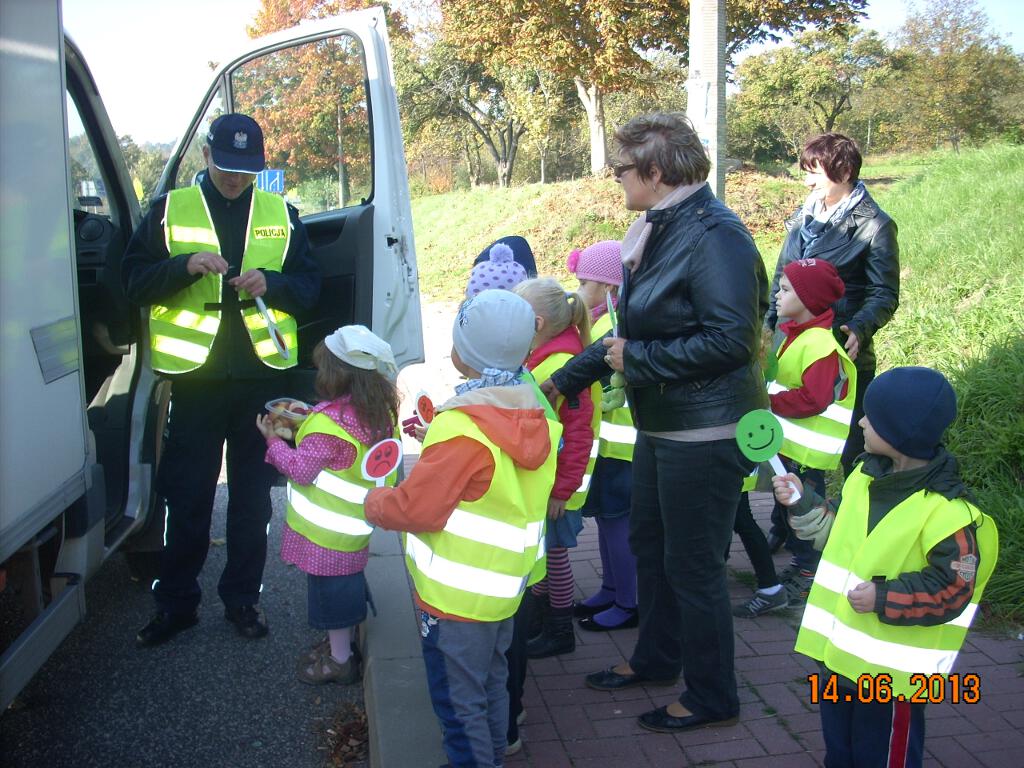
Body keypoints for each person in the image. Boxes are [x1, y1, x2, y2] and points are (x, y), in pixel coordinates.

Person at [541, 112, 767, 732]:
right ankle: (657, 659)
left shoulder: (716, 236)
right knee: (652, 547)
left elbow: (732, 341)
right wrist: (568, 377)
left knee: (693, 566)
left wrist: (637, 361)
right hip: (665, 426)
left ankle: (713, 696)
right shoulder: (660, 226)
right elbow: (631, 329)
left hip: (707, 432)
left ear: (657, 171)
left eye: (621, 168)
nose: (615, 176)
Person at [123, 113, 321, 647]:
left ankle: (242, 601)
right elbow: (132, 282)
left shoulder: (282, 214)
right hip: (197, 380)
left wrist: (272, 283)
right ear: (207, 156)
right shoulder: (168, 211)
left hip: (261, 380)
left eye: (246, 169)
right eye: (227, 166)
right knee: (186, 497)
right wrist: (182, 266)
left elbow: (310, 287)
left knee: (252, 500)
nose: (235, 178)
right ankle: (175, 603)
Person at [364, 290, 560, 768]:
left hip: (455, 601)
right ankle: (491, 756)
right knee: (491, 685)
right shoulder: (532, 411)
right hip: (502, 592)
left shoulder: (463, 429)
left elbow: (416, 509)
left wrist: (376, 502)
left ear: (464, 353)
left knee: (457, 703)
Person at [773, 366, 997, 768]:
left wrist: (884, 597)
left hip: (892, 680)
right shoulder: (864, 476)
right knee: (840, 752)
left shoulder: (950, 516)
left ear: (900, 433)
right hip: (837, 661)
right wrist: (803, 502)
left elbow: (952, 589)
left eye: (871, 418)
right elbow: (838, 531)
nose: (861, 422)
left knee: (884, 757)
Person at [256, 326, 398, 684]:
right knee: (346, 587)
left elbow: (301, 470)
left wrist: (274, 442)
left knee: (331, 597)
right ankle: (343, 644)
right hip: (354, 529)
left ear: (334, 374)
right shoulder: (379, 414)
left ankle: (340, 661)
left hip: (324, 536)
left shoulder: (327, 426)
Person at [765, 133, 899, 482]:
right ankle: (792, 510)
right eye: (805, 171)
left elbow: (884, 292)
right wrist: (766, 327)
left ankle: (851, 508)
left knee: (853, 447)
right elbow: (781, 277)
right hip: (789, 344)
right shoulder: (803, 216)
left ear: (844, 172)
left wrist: (860, 326)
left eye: (814, 172)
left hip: (838, 348)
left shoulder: (876, 225)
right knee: (787, 444)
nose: (807, 181)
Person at [735, 258, 856, 616]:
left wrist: (766, 401)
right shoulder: (796, 336)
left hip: (806, 454)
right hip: (790, 448)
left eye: (786, 289)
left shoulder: (819, 345)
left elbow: (814, 399)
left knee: (803, 516)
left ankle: (808, 574)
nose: (777, 294)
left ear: (808, 298)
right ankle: (801, 567)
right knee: (788, 510)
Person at [513, 278, 598, 659]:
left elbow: (577, 433)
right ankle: (540, 617)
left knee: (555, 556)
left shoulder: (561, 364)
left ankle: (560, 629)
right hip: (551, 481)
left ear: (537, 323)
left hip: (558, 486)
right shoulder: (552, 354)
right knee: (545, 553)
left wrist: (562, 489)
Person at [566, 240, 639, 632]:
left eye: (585, 283)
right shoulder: (599, 320)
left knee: (618, 524)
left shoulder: (612, 325)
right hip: (606, 446)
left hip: (621, 449)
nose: (578, 291)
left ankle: (629, 601)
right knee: (607, 522)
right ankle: (612, 588)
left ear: (611, 287)